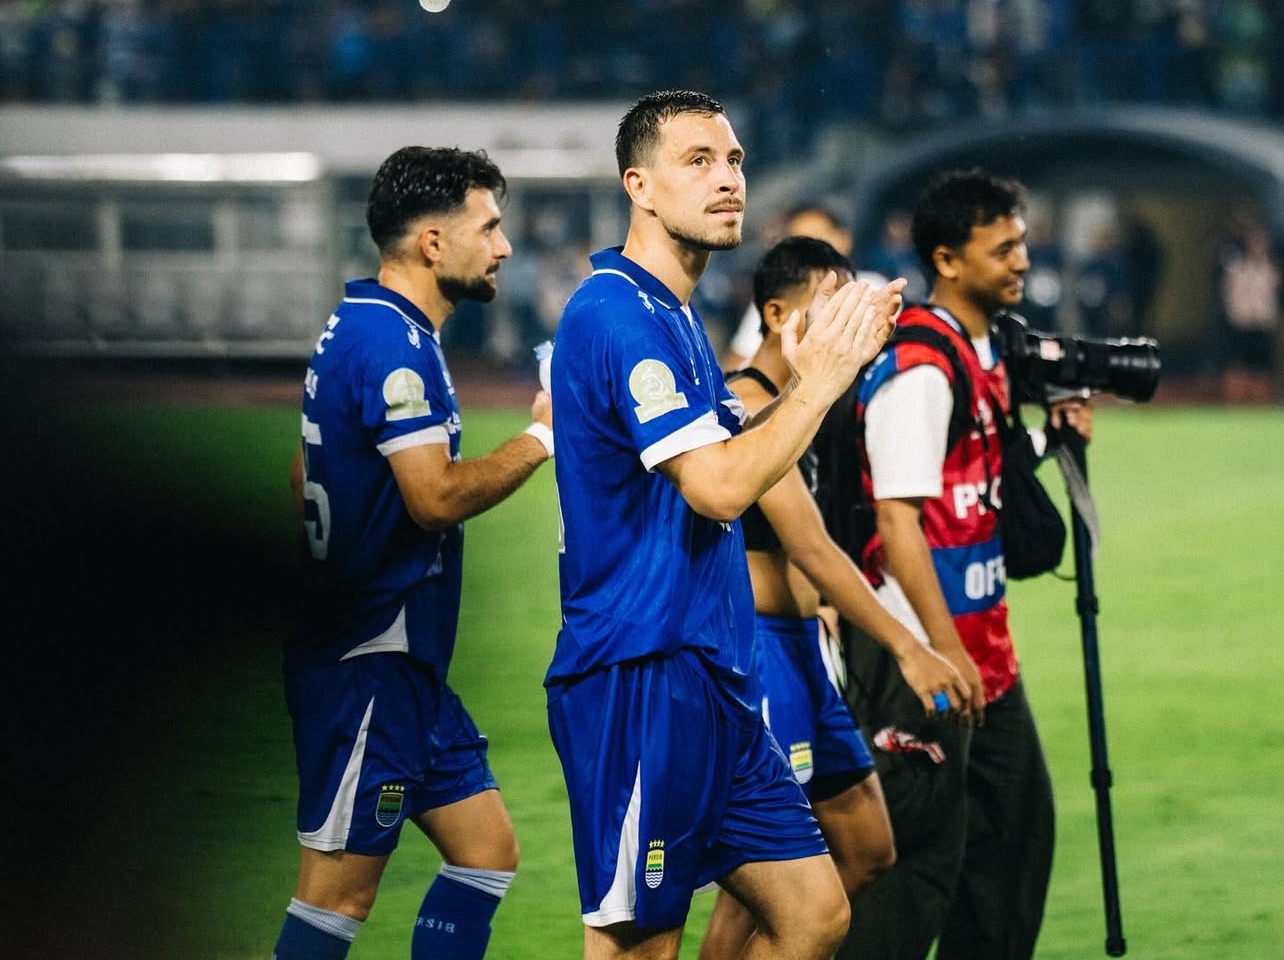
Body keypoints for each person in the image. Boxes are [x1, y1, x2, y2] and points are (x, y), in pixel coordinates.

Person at [546, 90, 905, 960]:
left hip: (713, 677)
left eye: (735, 160)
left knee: (814, 914)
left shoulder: (677, 319)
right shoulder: (618, 314)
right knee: (640, 944)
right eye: (698, 162)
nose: (728, 179)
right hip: (639, 674)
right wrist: (816, 381)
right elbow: (716, 489)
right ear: (640, 185)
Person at [273, 145, 554, 960]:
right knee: (336, 896)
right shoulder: (397, 347)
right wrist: (539, 437)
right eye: (490, 227)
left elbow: (302, 475)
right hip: (369, 664)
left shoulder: (356, 322)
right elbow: (431, 498)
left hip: (401, 665)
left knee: (486, 851)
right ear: (435, 242)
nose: (503, 246)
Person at [833, 168, 1093, 960]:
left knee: (1014, 843)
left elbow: (973, 486)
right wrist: (940, 651)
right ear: (948, 259)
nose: (1022, 260)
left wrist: (1052, 442)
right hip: (921, 656)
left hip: (983, 654)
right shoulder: (922, 366)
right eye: (1003, 247)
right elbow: (898, 522)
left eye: (1022, 242)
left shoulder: (979, 354)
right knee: (915, 874)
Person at [698, 236, 972, 960]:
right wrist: (909, 647)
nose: (849, 318)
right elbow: (813, 548)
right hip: (759, 655)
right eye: (833, 303)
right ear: (779, 314)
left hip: (804, 657)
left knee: (867, 850)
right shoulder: (747, 404)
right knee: (759, 880)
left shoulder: (807, 409)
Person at [722, 202, 884, 370]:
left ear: (844, 238)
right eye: (801, 245)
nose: (812, 252)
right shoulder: (780, 294)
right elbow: (737, 363)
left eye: (818, 239)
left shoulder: (872, 287)